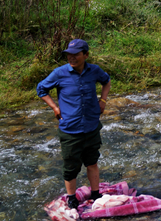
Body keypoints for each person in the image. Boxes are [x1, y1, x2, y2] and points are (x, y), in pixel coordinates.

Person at [37, 39, 111, 210]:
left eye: (76, 54)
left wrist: (103, 100)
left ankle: (95, 194)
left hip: (92, 125)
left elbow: (106, 81)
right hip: (70, 129)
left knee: (92, 162)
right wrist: (55, 107)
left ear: (85, 55)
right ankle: (71, 198)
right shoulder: (59, 73)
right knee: (71, 167)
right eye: (69, 55)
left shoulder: (94, 71)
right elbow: (41, 89)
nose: (71, 57)